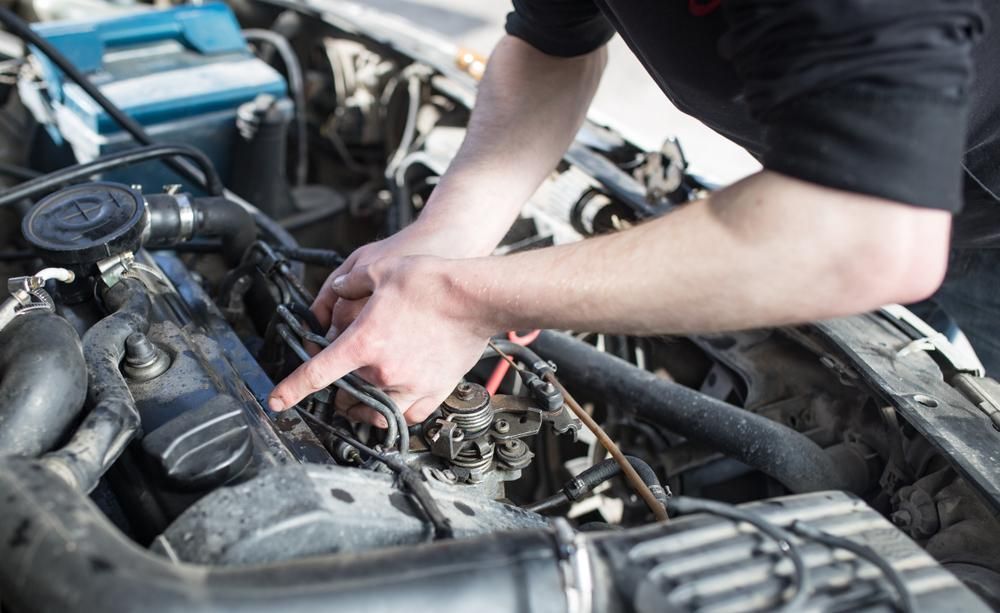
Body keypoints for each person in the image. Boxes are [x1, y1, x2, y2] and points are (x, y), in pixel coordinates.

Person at [269, 0, 999, 426]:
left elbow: (867, 229)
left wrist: (467, 301)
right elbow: (553, 48)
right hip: (882, 188)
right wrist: (449, 236)